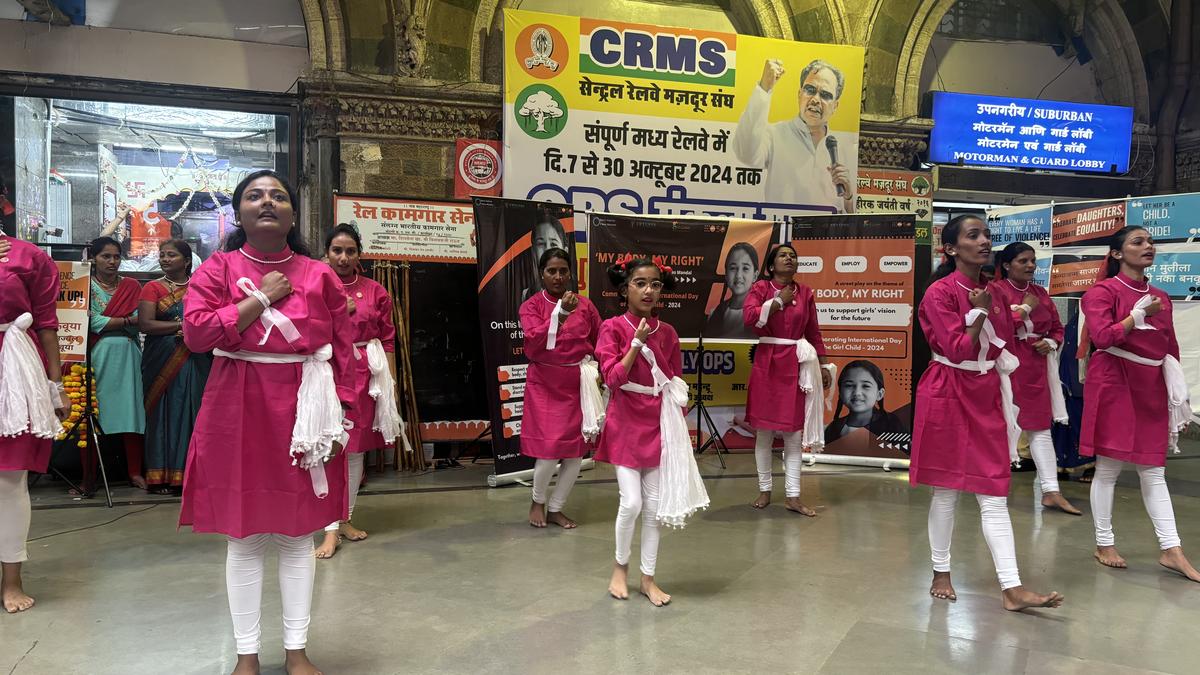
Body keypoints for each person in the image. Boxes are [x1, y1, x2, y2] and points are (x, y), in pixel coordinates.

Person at [181, 170, 353, 675]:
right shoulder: (217, 268)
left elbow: (343, 350)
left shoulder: (320, 275)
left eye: (278, 195)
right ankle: (246, 654)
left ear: (294, 215)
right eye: (254, 196)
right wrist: (260, 298)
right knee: (245, 535)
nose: (267, 202)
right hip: (237, 407)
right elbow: (195, 334)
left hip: (304, 409)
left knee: (298, 535)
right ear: (238, 213)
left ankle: (297, 650)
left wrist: (342, 415)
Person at [910, 215, 1065, 611]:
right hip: (947, 390)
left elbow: (1004, 344)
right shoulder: (939, 293)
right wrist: (979, 314)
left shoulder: (992, 291)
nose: (983, 242)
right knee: (946, 490)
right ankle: (940, 570)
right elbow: (958, 349)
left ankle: (1012, 588)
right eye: (973, 235)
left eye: (986, 236)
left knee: (993, 488)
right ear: (950, 247)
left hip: (986, 392)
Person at [1079, 226, 1200, 582]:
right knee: (1109, 468)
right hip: (1113, 381)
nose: (1148, 247)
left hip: (1150, 387)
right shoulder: (1101, 292)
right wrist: (1137, 317)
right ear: (1116, 254)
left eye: (1150, 242)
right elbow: (1101, 337)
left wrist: (1178, 399)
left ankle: (1171, 549)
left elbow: (1170, 349)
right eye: (1138, 242)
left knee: (1154, 469)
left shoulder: (1160, 295)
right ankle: (1104, 542)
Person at [595, 256, 708, 607]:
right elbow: (613, 379)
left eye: (655, 284)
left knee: (655, 509)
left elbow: (675, 380)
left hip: (659, 422)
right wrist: (636, 344)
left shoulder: (669, 332)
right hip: (625, 420)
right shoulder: (612, 328)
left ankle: (647, 578)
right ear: (624, 289)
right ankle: (619, 567)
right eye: (640, 283)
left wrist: (678, 426)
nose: (648, 290)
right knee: (630, 503)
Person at [316, 223, 407, 559]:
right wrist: (338, 314)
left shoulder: (374, 291)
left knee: (355, 453)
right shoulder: (314, 286)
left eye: (350, 251)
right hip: (325, 374)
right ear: (326, 253)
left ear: (359, 255)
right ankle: (327, 529)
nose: (343, 257)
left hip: (364, 376)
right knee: (329, 449)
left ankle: (343, 519)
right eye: (337, 250)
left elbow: (387, 339)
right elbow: (300, 329)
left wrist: (390, 385)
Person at [0, 234, 70, 613]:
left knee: (9, 479)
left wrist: (55, 386)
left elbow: (46, 323)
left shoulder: (29, 257)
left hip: (15, 369)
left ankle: (12, 579)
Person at [743, 244, 832, 515]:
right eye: (783, 255)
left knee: (794, 433)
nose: (789, 258)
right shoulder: (760, 289)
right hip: (767, 363)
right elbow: (748, 318)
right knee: (765, 433)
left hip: (796, 365)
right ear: (771, 265)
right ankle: (764, 490)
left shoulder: (806, 292)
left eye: (793, 255)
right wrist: (778, 301)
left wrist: (825, 363)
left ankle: (793, 497)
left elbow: (813, 331)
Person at [992, 243, 1079, 515]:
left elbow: (1056, 327)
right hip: (1004, 364)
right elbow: (997, 330)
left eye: (1032, 261)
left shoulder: (1040, 293)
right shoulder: (994, 291)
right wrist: (1024, 310)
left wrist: (1051, 343)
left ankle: (1051, 491)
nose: (1030, 266)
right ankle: (993, 488)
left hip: (1036, 366)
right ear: (1006, 265)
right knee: (999, 426)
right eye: (1023, 261)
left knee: (1040, 428)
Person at [519, 246, 602, 529]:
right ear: (541, 274)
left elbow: (599, 340)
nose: (557, 277)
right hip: (544, 383)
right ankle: (537, 501)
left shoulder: (586, 305)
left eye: (563, 271)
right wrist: (560, 315)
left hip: (577, 384)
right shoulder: (530, 306)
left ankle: (556, 508)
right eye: (551, 271)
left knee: (575, 454)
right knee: (548, 452)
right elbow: (533, 341)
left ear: (570, 274)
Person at [733, 59, 856, 213]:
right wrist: (764, 88)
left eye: (825, 95)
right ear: (799, 94)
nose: (816, 100)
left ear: (835, 106)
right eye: (810, 90)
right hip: (783, 233)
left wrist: (849, 197)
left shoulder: (844, 147)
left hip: (824, 236)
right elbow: (746, 153)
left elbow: (851, 221)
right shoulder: (775, 135)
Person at [138, 239, 211, 495]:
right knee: (163, 415)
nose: (165, 259)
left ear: (187, 261)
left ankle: (194, 474)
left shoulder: (201, 287)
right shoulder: (152, 288)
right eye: (162, 255)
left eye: (171, 255)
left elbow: (210, 319)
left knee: (194, 410)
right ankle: (161, 475)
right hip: (162, 359)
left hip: (196, 359)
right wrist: (182, 328)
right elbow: (145, 324)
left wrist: (194, 331)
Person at [87, 236, 147, 491]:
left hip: (128, 354)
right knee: (92, 413)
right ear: (93, 258)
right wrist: (125, 320)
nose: (112, 262)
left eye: (116, 256)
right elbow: (91, 323)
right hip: (97, 354)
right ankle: (89, 476)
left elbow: (142, 319)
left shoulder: (132, 285)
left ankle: (135, 472)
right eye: (105, 256)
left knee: (131, 413)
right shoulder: (84, 286)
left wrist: (111, 320)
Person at [823, 360, 909, 444]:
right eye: (849, 385)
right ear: (840, 393)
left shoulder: (893, 426)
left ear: (880, 394)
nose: (857, 393)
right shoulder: (832, 429)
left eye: (865, 386)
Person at [703, 242, 758, 339]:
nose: (738, 276)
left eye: (745, 268)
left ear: (755, 275)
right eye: (733, 268)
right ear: (726, 275)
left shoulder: (764, 311)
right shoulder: (716, 313)